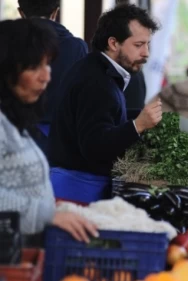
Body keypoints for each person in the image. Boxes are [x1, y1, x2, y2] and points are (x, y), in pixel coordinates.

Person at [48, 4, 161, 204]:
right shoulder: (96, 82)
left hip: (77, 184)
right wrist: (138, 125)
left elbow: (107, 114)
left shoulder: (96, 69)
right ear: (113, 43)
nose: (146, 53)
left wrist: (144, 116)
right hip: (76, 190)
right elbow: (94, 146)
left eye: (148, 44)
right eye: (138, 45)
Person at [0, 18, 97, 243]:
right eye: (34, 67)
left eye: (47, 64)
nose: (47, 77)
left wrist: (50, 205)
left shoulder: (15, 122)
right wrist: (46, 213)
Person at [17, 0, 88, 156]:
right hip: (59, 142)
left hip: (13, 135)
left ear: (21, 13)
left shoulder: (8, 43)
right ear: (55, 13)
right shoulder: (76, 47)